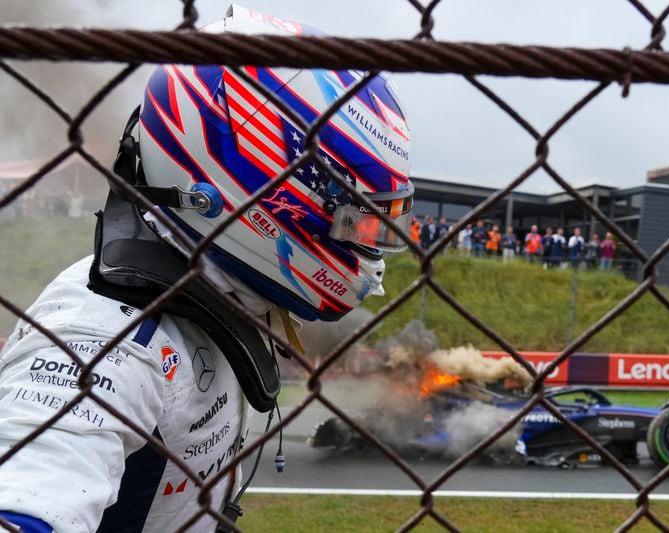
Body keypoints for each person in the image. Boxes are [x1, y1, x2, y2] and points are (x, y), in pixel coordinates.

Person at [0, 7, 414, 533]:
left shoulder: (220, 294)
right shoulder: (104, 341)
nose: (368, 248)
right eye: (358, 221)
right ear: (261, 187)